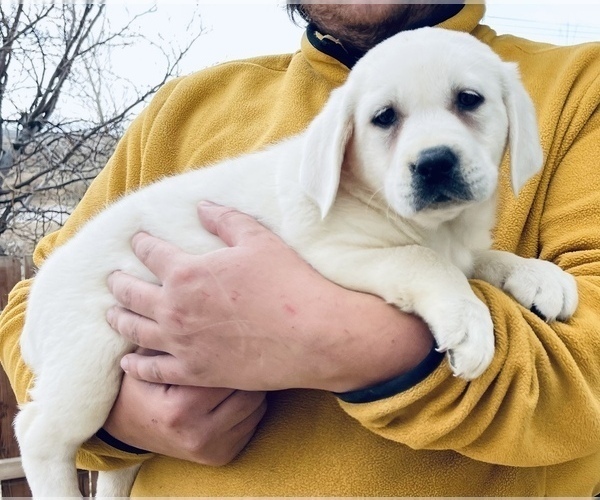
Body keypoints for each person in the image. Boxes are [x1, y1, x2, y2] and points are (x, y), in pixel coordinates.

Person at [1, 1, 599, 496]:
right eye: (385, 117)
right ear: (341, 148)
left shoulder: (578, 88)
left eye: (467, 103)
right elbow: (33, 308)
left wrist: (344, 341)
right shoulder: (182, 111)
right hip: (105, 313)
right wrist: (125, 423)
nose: (431, 144)